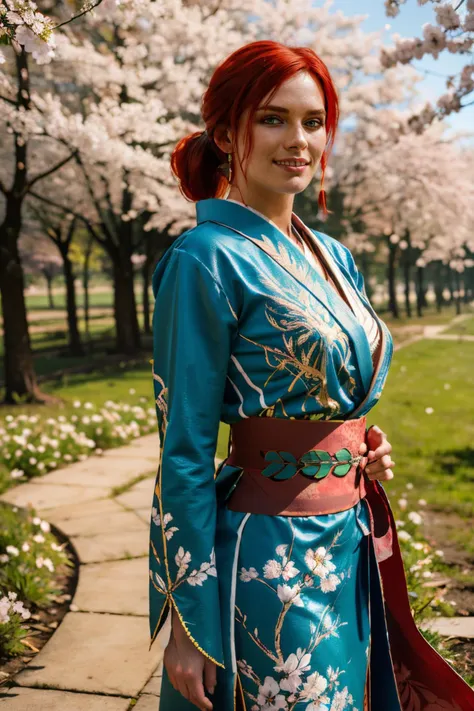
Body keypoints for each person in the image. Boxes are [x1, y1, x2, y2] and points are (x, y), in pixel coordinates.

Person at [149, 40, 474, 711]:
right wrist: (187, 620)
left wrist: (362, 442)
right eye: (273, 119)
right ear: (224, 133)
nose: (299, 140)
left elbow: (330, 387)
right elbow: (183, 449)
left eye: (314, 121)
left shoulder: (332, 255)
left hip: (347, 539)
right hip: (269, 555)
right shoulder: (204, 259)